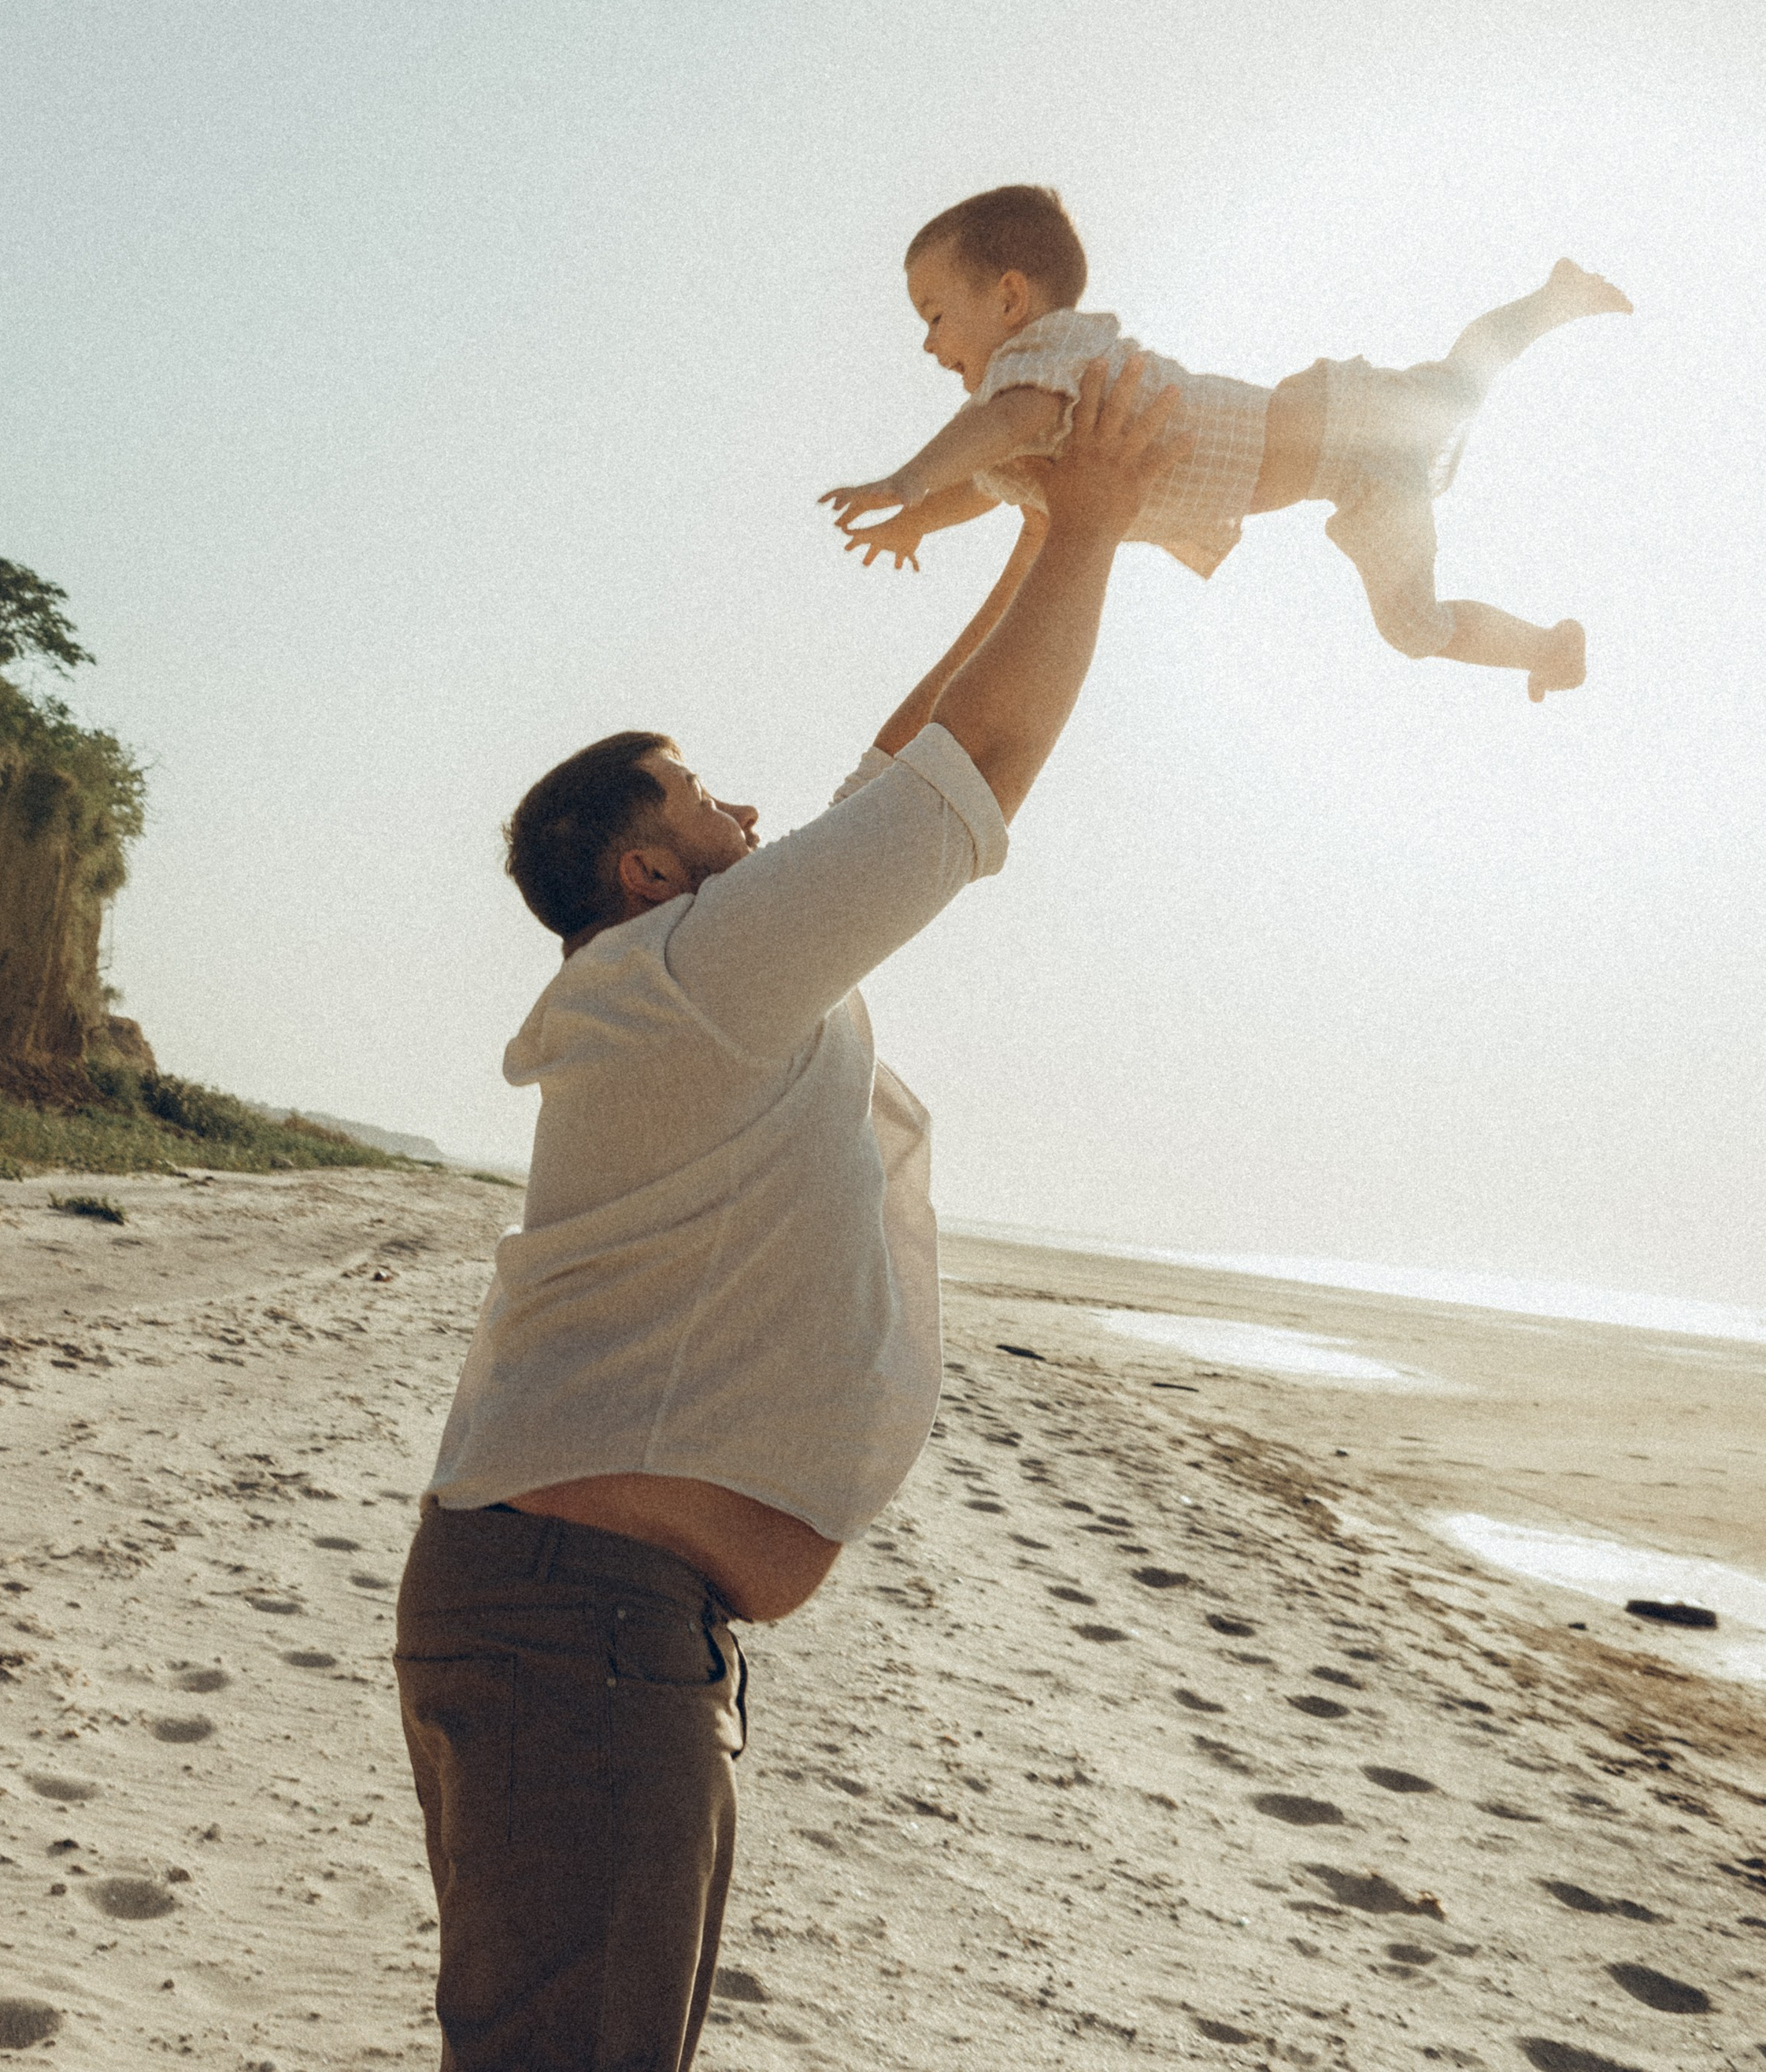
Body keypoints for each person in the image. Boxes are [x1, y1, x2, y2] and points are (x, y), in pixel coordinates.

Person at [392, 358, 1187, 2072]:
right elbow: (973, 768)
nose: (750, 813)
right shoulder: (690, 974)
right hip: (577, 1629)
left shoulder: (692, 979)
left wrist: (1037, 531)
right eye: (704, 799)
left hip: (591, 1624)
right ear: (646, 870)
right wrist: (1096, 523)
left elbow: (899, 770)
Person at [821, 183, 1631, 702]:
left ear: (1009, 299)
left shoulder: (1045, 355)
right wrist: (919, 521)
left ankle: (1553, 298)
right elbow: (988, 478)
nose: (929, 343)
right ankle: (1544, 650)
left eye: (935, 315)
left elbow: (1001, 427)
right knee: (1411, 628)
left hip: (1338, 422)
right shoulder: (1026, 409)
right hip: (1358, 486)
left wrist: (911, 480)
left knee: (1460, 383)